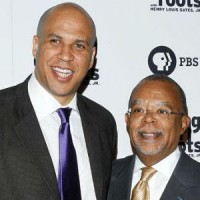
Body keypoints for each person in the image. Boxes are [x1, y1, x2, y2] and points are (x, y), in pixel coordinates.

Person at [0, 2, 117, 200]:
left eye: (79, 45)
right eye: (55, 41)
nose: (65, 55)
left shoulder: (103, 123)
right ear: (36, 46)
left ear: (91, 58)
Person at [108, 74, 200, 200]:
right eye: (139, 110)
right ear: (128, 120)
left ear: (183, 124)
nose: (148, 118)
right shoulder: (104, 176)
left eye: (162, 111)